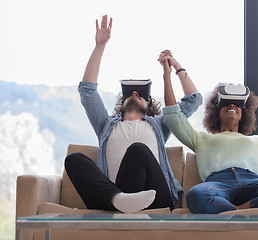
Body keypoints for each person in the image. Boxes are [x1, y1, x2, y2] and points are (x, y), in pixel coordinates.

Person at [64, 15, 202, 214]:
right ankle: (118, 200)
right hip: (114, 196)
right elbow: (87, 91)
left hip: (155, 197)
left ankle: (123, 203)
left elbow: (194, 100)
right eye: (130, 93)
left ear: (149, 105)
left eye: (141, 94)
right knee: (74, 159)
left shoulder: (160, 124)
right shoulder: (106, 124)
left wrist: (172, 67)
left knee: (138, 149)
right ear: (122, 102)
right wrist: (100, 45)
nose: (135, 94)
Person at [161, 60, 258, 214]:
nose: (232, 106)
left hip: (253, 183)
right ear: (216, 113)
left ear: (243, 114)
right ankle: (242, 213)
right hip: (218, 185)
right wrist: (168, 75)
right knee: (195, 195)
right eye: (226, 103)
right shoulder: (200, 139)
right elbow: (174, 118)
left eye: (237, 104)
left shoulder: (257, 141)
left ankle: (240, 210)